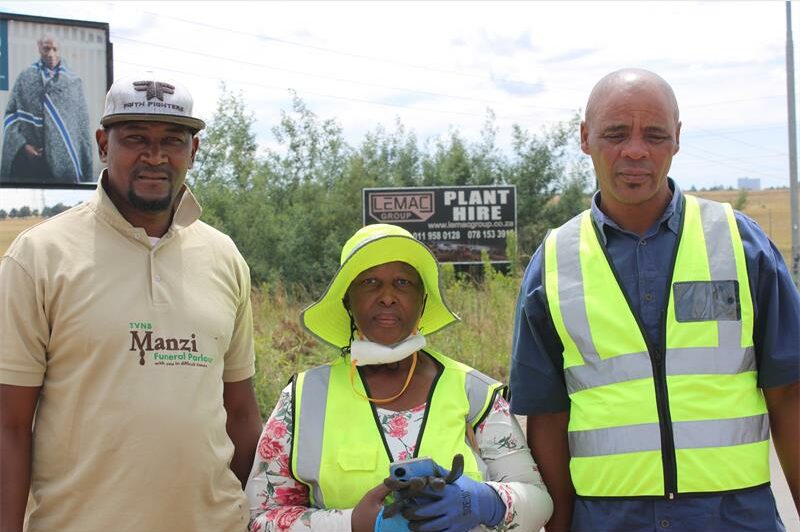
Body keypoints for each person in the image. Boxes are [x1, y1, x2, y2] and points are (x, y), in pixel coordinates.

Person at [509, 68, 800, 531]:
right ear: (585, 138)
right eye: (616, 134)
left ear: (677, 138)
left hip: (735, 519)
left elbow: (789, 393)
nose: (635, 150)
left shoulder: (739, 244)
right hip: (608, 520)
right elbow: (546, 416)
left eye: (655, 134)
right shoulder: (554, 262)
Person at [0, 73, 263, 531]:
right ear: (103, 144)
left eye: (172, 141)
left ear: (193, 151)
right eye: (136, 138)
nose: (155, 156)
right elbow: (10, 425)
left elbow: (240, 412)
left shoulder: (223, 256)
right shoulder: (39, 256)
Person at [246, 223, 553, 531]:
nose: (387, 297)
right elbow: (261, 517)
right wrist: (353, 523)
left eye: (403, 282)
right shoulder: (303, 399)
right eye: (369, 282)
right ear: (348, 300)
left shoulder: (476, 393)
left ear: (422, 301)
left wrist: (484, 501)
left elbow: (538, 502)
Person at [0, 34, 93, 183]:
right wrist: (23, 146)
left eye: (55, 49)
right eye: (46, 49)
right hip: (29, 163)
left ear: (60, 50)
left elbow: (81, 127)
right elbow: (11, 116)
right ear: (39, 48)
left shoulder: (73, 82)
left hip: (62, 161)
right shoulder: (26, 77)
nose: (51, 54)